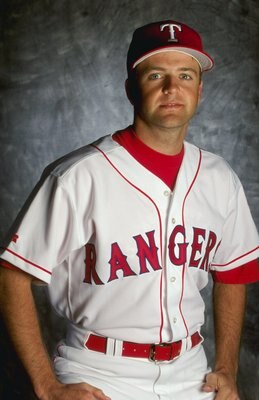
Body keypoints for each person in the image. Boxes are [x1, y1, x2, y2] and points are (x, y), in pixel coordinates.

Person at [0, 19, 259, 400]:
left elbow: (234, 271)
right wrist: (47, 385)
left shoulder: (220, 176)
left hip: (192, 371)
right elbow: (11, 276)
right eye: (156, 74)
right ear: (130, 89)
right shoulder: (78, 175)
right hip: (98, 372)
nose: (173, 88)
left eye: (185, 75)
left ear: (200, 91)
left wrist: (227, 368)